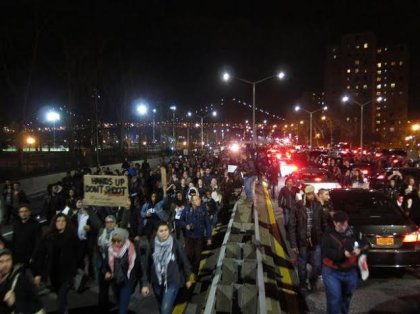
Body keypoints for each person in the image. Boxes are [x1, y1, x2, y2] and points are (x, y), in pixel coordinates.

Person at [33, 213, 81, 314]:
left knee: (62, 299)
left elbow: (79, 253)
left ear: (67, 223)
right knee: (60, 296)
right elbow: (40, 254)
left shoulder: (72, 236)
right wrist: (38, 273)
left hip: (67, 273)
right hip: (53, 273)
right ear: (54, 223)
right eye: (58, 221)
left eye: (63, 221)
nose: (60, 223)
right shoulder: (48, 236)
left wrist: (76, 268)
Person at [141, 222, 193, 314]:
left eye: (166, 230)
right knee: (162, 307)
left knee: (165, 310)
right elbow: (147, 265)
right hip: (157, 282)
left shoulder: (175, 243)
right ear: (156, 232)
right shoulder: (153, 245)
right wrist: (145, 284)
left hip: (172, 281)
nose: (164, 233)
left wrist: (188, 277)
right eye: (161, 231)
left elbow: (184, 260)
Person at [321, 211, 361, 314]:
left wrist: (359, 249)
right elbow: (326, 252)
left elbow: (364, 243)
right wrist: (343, 254)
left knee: (346, 299)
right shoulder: (328, 234)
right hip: (332, 272)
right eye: (340, 224)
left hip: (350, 272)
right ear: (334, 223)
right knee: (334, 299)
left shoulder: (353, 232)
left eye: (345, 223)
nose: (343, 226)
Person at [289, 185, 326, 292]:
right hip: (302, 242)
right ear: (304, 194)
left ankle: (312, 281)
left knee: (317, 266)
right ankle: (303, 284)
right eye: (309, 194)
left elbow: (323, 224)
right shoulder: (297, 207)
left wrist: (324, 238)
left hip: (315, 241)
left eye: (312, 193)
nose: (311, 196)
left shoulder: (317, 206)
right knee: (302, 265)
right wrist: (293, 244)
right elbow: (292, 226)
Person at [105, 228, 141, 314]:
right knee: (119, 303)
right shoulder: (110, 249)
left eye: (119, 241)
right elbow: (105, 265)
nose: (116, 243)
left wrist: (143, 283)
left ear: (124, 239)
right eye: (114, 241)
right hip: (115, 282)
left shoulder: (131, 249)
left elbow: (138, 267)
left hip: (127, 282)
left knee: (122, 310)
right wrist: (107, 272)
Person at [177, 194, 212, 278]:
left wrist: (209, 237)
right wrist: (186, 225)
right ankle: (188, 270)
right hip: (189, 237)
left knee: (198, 256)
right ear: (192, 202)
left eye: (199, 199)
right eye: (196, 200)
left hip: (199, 237)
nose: (198, 201)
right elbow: (179, 221)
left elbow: (208, 224)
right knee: (189, 255)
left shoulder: (203, 210)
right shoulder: (186, 210)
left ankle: (195, 273)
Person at [0, 248, 44, 314]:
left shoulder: (21, 278)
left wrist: (14, 303)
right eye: (1, 261)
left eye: (8, 260)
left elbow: (36, 304)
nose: (5, 264)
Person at [97, 215, 117, 311]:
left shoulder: (119, 232)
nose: (109, 224)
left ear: (115, 223)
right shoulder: (101, 232)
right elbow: (95, 221)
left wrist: (127, 209)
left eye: (111, 222)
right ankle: (102, 308)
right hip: (104, 264)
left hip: (115, 265)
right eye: (107, 222)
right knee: (103, 290)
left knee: (117, 289)